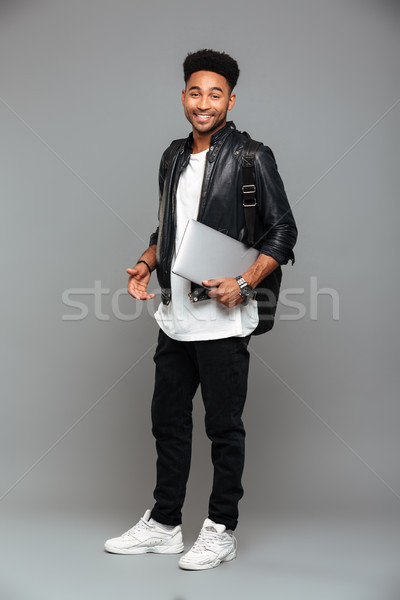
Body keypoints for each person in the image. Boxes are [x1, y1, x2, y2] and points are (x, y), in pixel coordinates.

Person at [104, 49, 297, 571]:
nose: (204, 102)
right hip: (175, 315)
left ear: (230, 100)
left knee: (222, 426)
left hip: (225, 318)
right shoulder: (171, 156)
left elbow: (284, 231)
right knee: (167, 421)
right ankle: (166, 524)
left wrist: (243, 281)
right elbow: (168, 227)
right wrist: (146, 262)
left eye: (215, 93)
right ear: (183, 97)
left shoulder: (252, 156)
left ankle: (220, 529)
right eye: (195, 92)